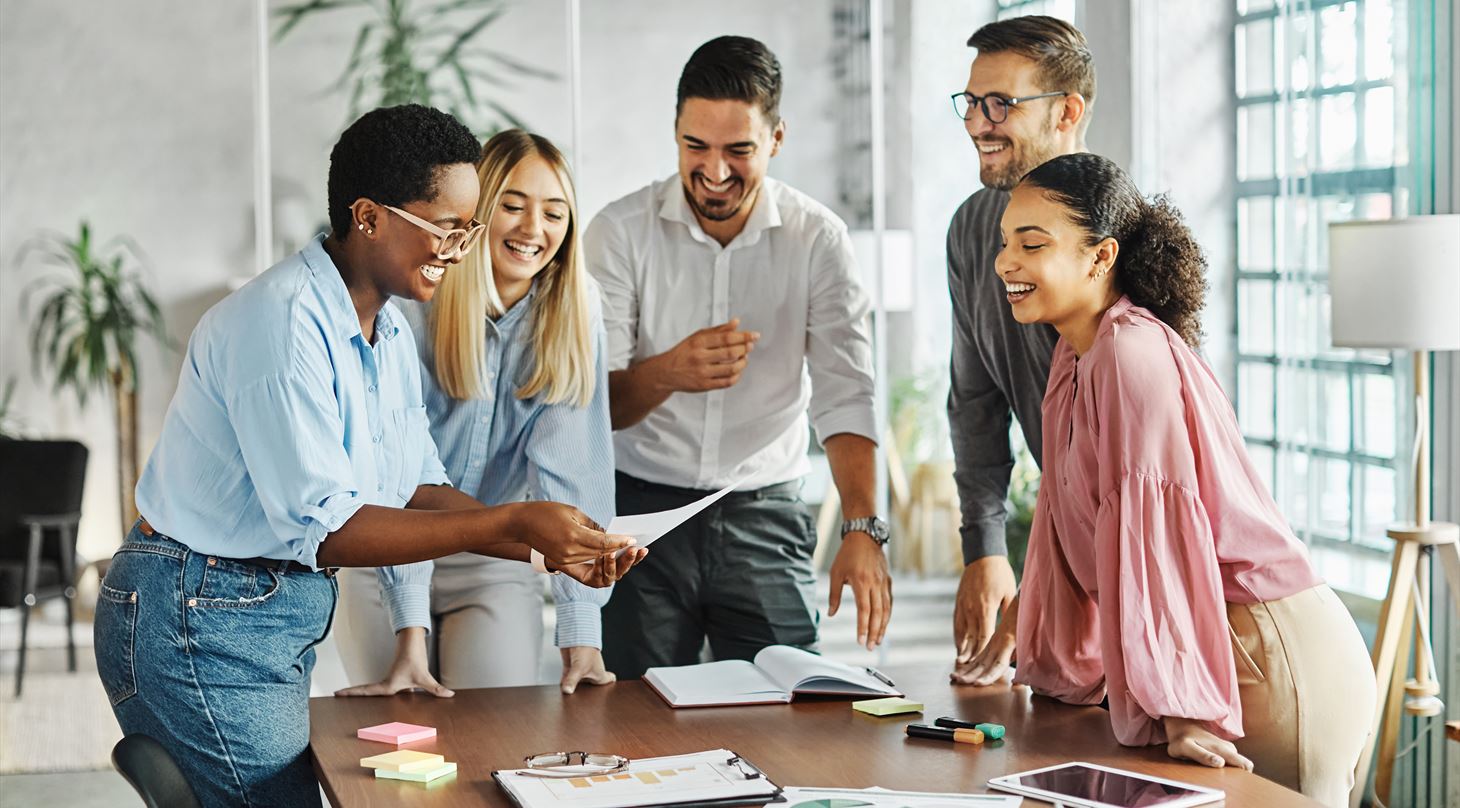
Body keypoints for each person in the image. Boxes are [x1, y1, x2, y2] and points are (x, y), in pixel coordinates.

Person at [92, 105, 637, 807]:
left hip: (254, 608)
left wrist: (544, 546)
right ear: (370, 217)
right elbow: (331, 528)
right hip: (197, 613)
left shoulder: (383, 332)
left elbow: (413, 485)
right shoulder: (285, 326)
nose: (462, 248)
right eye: (447, 227)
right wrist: (512, 526)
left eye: (468, 229)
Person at [987, 152, 1374, 807]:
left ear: (1101, 256)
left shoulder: (1130, 354)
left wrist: (1186, 708)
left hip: (1264, 654)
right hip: (1208, 647)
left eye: (1032, 244)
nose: (1005, 263)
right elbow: (1063, 520)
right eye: (1005, 243)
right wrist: (1032, 635)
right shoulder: (1075, 358)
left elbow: (1158, 540)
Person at [586, 35, 891, 679]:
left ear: (777, 140)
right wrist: (669, 371)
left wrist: (863, 527)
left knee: (789, 712)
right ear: (675, 132)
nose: (715, 171)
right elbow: (594, 407)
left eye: (739, 150)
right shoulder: (618, 233)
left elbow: (847, 392)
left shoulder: (819, 240)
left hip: (764, 512)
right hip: (640, 514)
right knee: (635, 720)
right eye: (696, 146)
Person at [334, 129, 641, 698]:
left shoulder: (575, 308)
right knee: (397, 745)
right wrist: (409, 630)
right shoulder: (416, 299)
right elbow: (396, 476)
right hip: (387, 556)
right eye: (513, 206)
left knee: (495, 735)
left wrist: (582, 634)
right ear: (475, 215)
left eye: (555, 213)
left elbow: (572, 470)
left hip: (494, 560)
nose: (534, 230)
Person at [944, 15, 1096, 683]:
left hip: (1147, 566)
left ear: (1066, 112)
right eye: (973, 103)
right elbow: (973, 402)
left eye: (1001, 103)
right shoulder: (973, 228)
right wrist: (984, 547)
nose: (979, 122)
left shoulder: (1122, 239)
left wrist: (1036, 590)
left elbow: (1124, 472)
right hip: (1069, 553)